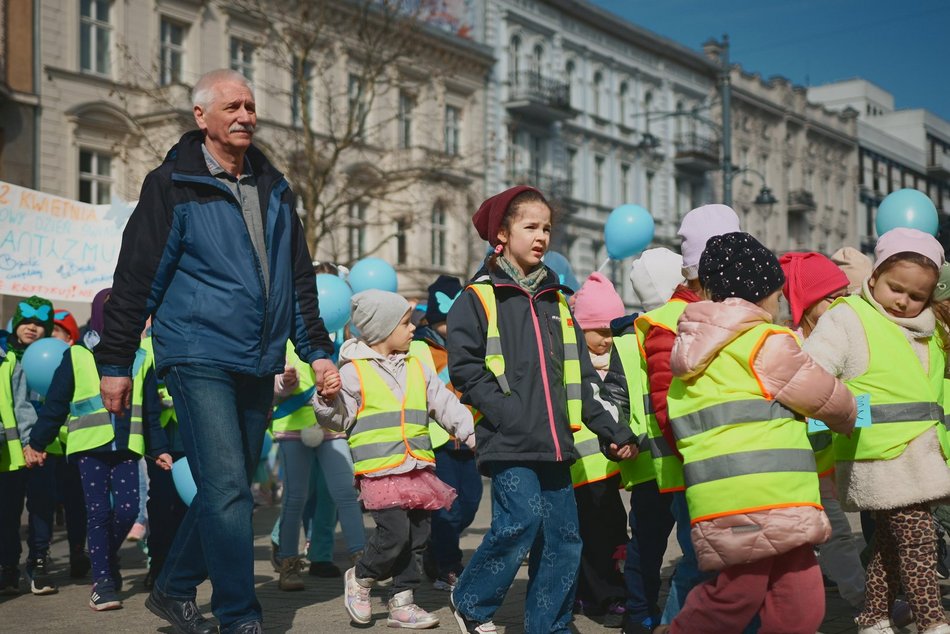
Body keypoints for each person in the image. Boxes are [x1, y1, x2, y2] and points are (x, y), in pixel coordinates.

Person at [94, 68, 339, 634]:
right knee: (229, 490)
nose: (246, 116)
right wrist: (116, 362)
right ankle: (239, 616)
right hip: (195, 353)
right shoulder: (172, 184)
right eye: (232, 107)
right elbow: (136, 277)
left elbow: (298, 280)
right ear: (201, 117)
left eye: (250, 106)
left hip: (257, 357)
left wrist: (317, 350)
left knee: (226, 492)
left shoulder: (275, 188)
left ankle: (174, 588)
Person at [446, 185, 637, 634]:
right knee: (519, 522)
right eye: (530, 226)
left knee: (564, 538)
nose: (541, 237)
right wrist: (506, 412)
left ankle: (549, 625)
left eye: (547, 228)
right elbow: (465, 369)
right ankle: (471, 602)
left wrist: (614, 430)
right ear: (502, 234)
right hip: (509, 439)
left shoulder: (558, 302)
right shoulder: (478, 297)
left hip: (556, 444)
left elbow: (583, 378)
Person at [665, 232, 857, 634]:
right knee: (743, 597)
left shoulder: (690, 357)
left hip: (728, 499)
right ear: (763, 295)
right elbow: (827, 397)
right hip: (765, 496)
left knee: (793, 599)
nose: (781, 303)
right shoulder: (764, 344)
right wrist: (850, 415)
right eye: (779, 294)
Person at [804, 227, 950, 634]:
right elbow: (813, 372)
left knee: (888, 544)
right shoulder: (848, 317)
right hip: (879, 455)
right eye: (895, 288)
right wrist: (845, 416)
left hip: (921, 454)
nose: (902, 300)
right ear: (874, 277)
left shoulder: (929, 329)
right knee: (919, 540)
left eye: (915, 295)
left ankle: (873, 617)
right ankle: (932, 622)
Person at [315, 289, 475, 629]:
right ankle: (361, 577)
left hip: (417, 466)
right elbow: (338, 418)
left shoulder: (417, 367)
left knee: (418, 538)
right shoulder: (353, 372)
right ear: (382, 329)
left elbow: (446, 405)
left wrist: (472, 434)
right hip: (380, 471)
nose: (413, 327)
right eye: (405, 323)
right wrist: (327, 400)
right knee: (394, 535)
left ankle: (403, 601)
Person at [623, 206, 739, 634]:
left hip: (722, 463)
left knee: (722, 562)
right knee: (698, 561)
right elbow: (665, 404)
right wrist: (698, 454)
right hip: (689, 465)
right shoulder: (669, 321)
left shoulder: (726, 311)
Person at [24, 308, 172, 611]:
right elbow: (56, 403)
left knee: (128, 511)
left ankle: (103, 555)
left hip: (127, 448)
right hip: (89, 448)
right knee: (99, 513)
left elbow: (150, 412)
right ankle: (102, 584)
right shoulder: (77, 355)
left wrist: (159, 449)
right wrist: (37, 442)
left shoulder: (141, 358)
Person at [779, 252, 867, 612]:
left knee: (836, 535)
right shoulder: (788, 343)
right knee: (804, 542)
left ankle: (863, 601)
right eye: (834, 297)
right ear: (807, 301)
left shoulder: (842, 337)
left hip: (823, 464)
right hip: (794, 466)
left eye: (847, 294)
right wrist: (848, 411)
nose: (843, 303)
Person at [411, 274, 483, 593]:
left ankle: (434, 547)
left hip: (468, 438)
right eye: (446, 321)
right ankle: (448, 566)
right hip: (437, 441)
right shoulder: (418, 347)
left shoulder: (470, 343)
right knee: (447, 509)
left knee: (470, 502)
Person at [569, 272, 630, 627]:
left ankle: (596, 592)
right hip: (581, 469)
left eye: (611, 332)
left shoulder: (616, 365)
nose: (607, 340)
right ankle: (606, 596)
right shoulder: (576, 368)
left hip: (608, 469)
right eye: (600, 332)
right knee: (593, 536)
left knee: (612, 532)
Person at [50, 308, 92, 579]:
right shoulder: (27, 361)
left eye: (57, 331)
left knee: (76, 502)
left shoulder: (76, 359)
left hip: (71, 443)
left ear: (70, 337)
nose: (50, 336)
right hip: (43, 445)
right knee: (45, 504)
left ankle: (78, 550)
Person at [0, 331, 38, 594]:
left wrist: (28, 443)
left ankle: (8, 568)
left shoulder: (9, 361)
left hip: (8, 457)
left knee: (7, 516)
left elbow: (21, 406)